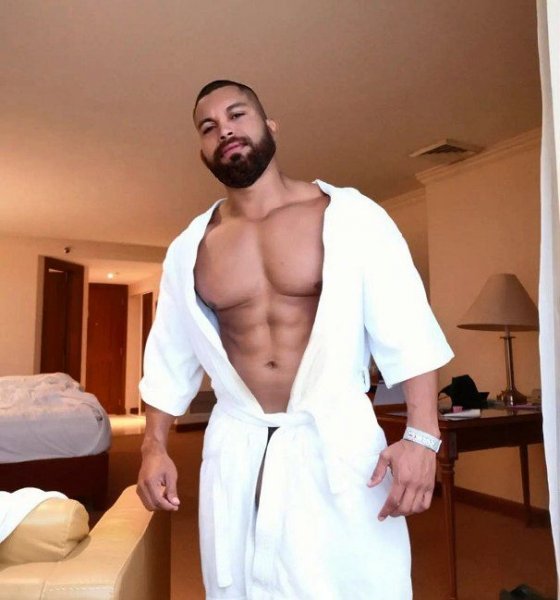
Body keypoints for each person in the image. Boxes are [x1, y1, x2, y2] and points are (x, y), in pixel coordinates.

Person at [137, 80, 454, 599]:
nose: (225, 131)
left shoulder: (351, 216)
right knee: (242, 585)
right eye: (208, 127)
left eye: (237, 114)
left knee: (356, 583)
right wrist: (153, 447)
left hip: (336, 437)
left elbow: (408, 327)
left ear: (270, 126)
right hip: (238, 444)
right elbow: (168, 357)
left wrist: (422, 437)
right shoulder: (190, 248)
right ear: (202, 150)